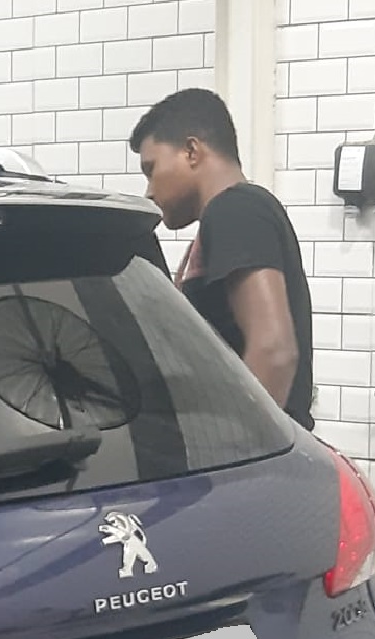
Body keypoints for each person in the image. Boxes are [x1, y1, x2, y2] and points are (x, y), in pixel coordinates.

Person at [129, 88, 314, 431]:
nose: (149, 191)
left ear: (192, 151)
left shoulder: (234, 209)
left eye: (151, 169)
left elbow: (275, 350)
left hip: (256, 453)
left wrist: (240, 449)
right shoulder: (234, 213)